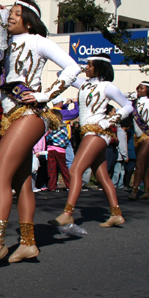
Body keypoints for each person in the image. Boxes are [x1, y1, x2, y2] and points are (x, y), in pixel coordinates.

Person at [0, 0, 80, 268]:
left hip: (31, 113)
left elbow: (73, 68)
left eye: (16, 14)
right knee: (21, 180)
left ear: (30, 21)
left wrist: (46, 94)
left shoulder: (38, 41)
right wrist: (0, 22)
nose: (11, 17)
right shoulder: (5, 43)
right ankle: (28, 243)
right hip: (10, 116)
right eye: (10, 13)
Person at [49, 54, 133, 228]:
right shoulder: (84, 84)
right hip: (88, 133)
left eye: (89, 64)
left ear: (99, 67)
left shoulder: (107, 86)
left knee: (75, 170)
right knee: (102, 176)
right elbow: (61, 74)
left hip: (97, 132)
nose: (86, 67)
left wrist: (110, 121)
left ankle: (68, 213)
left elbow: (128, 106)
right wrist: (77, 68)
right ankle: (116, 213)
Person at [44, 112, 71, 192]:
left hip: (51, 149)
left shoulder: (51, 128)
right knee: (64, 168)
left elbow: (47, 137)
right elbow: (66, 138)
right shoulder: (64, 127)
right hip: (61, 150)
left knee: (52, 169)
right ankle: (69, 185)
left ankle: (52, 187)